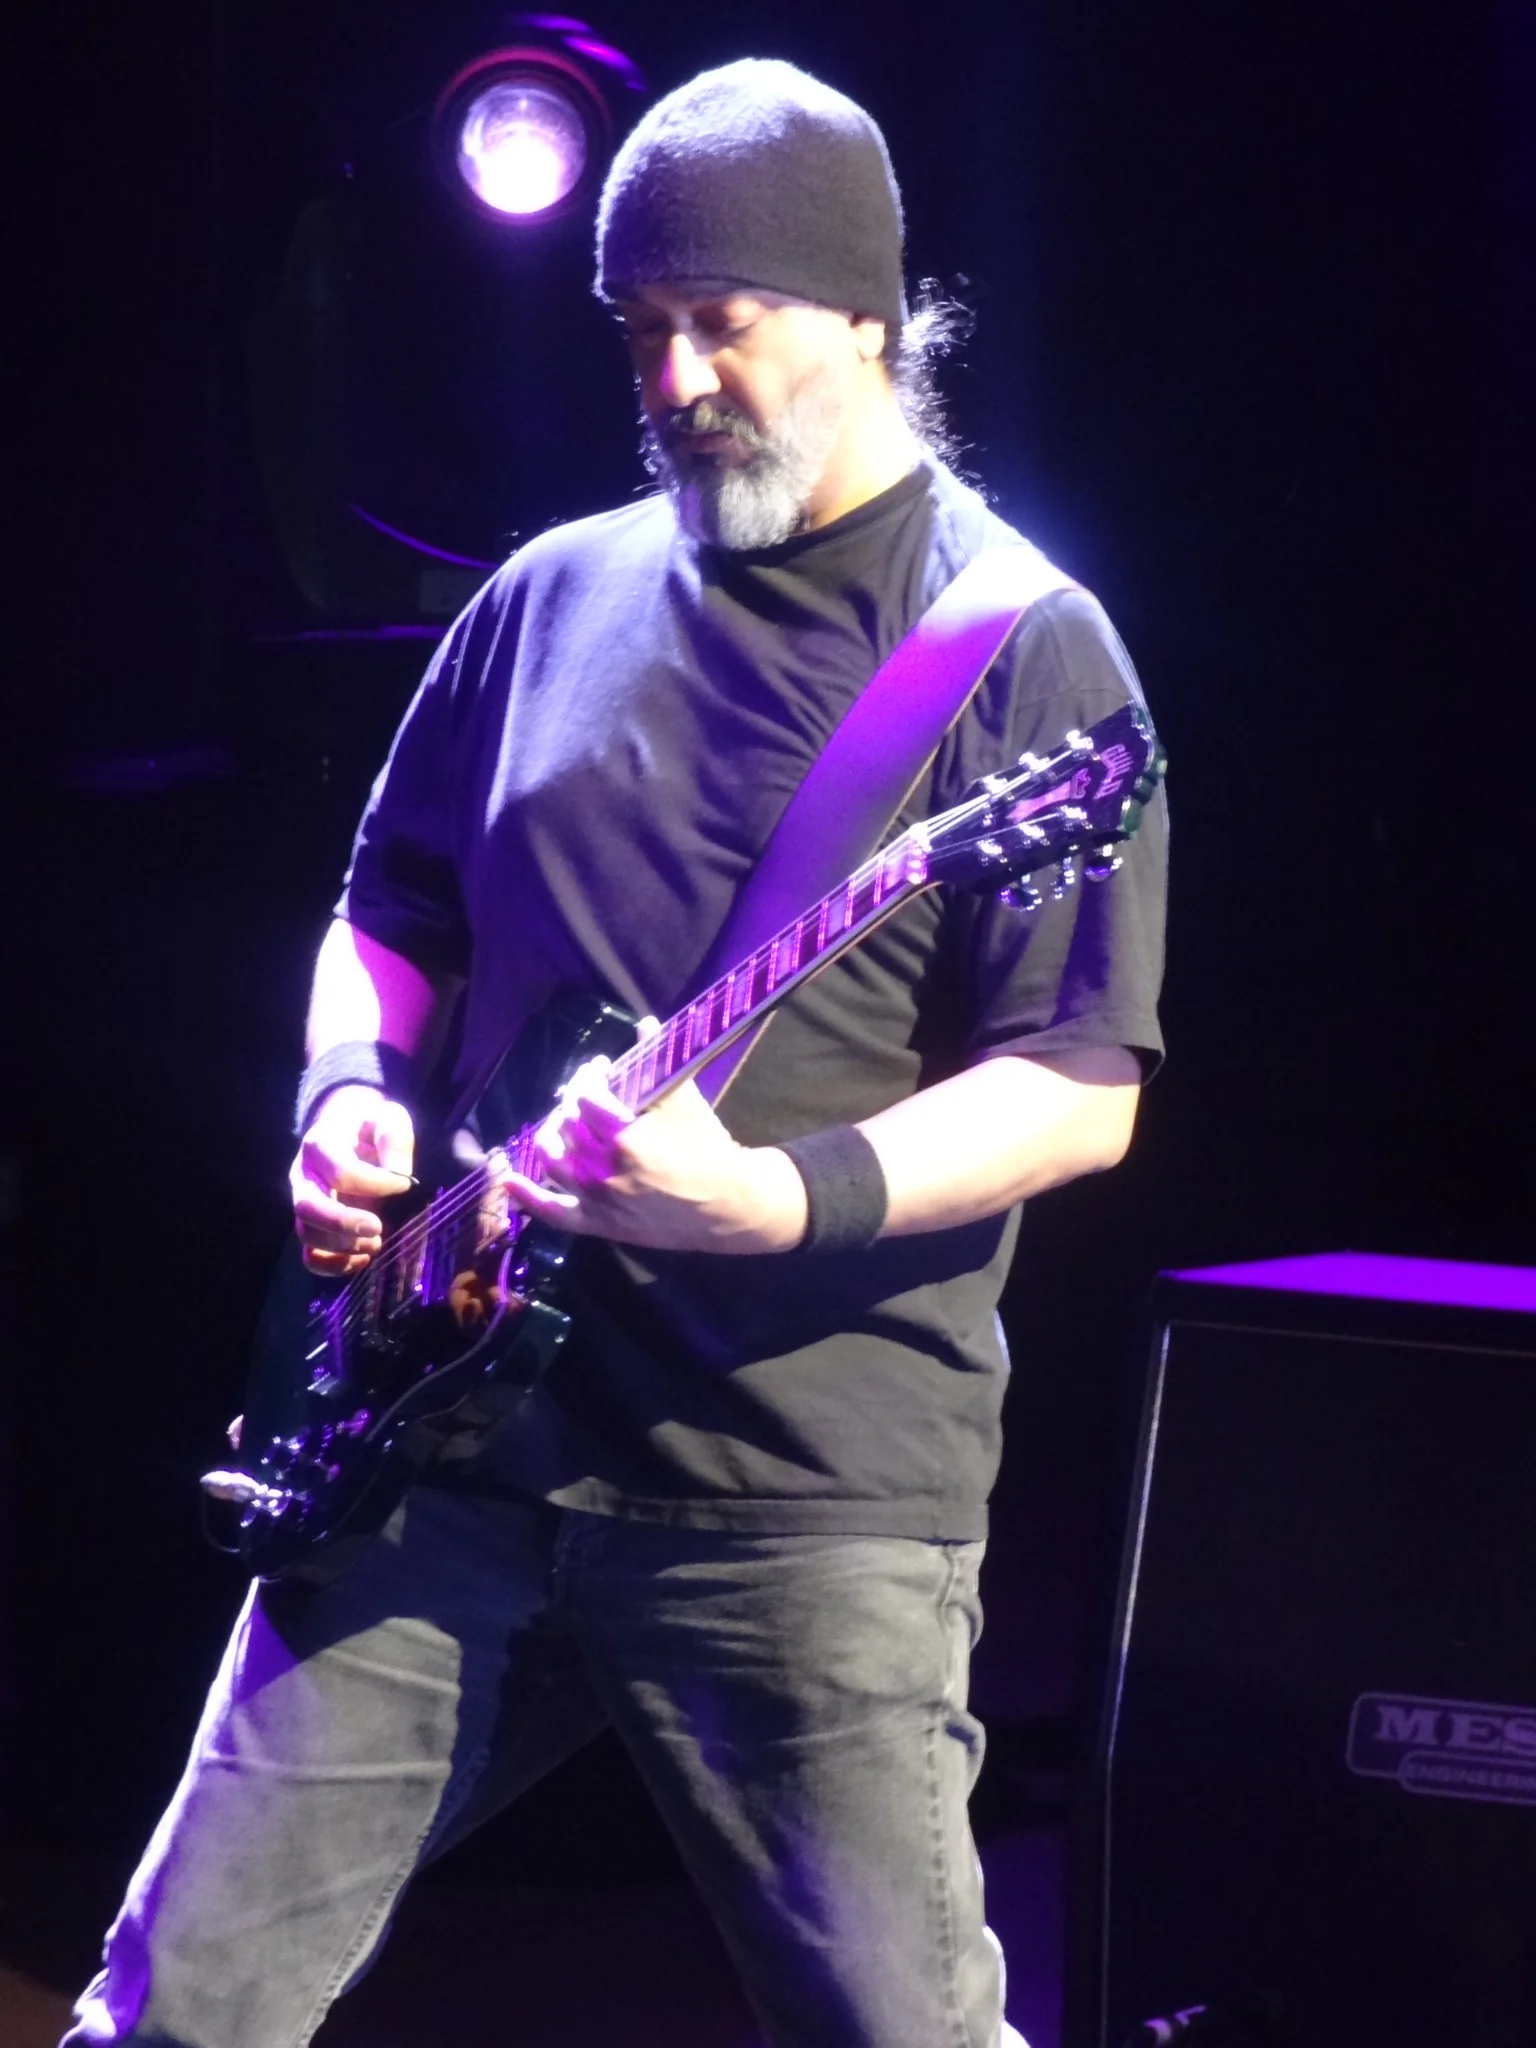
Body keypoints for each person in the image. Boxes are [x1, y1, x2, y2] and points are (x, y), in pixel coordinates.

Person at [65, 57, 1166, 2048]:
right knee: (172, 2014)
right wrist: (352, 1093)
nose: (674, 381)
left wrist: (771, 1201)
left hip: (798, 1493)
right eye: (639, 331)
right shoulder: (543, 595)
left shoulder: (1021, 649)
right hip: (443, 1449)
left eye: (721, 324)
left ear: (865, 316)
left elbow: (1081, 1084)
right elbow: (390, 915)